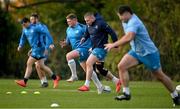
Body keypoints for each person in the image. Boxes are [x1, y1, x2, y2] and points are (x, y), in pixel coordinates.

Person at [104, 5, 180, 105]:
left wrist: (113, 44)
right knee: (121, 66)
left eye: (121, 16)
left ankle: (176, 96)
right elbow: (127, 36)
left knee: (159, 76)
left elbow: (129, 37)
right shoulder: (125, 21)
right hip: (136, 52)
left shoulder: (134, 22)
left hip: (148, 53)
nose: (120, 18)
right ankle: (126, 93)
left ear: (127, 13)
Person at [60, 13, 111, 94]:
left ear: (75, 20)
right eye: (67, 22)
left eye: (69, 21)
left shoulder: (83, 27)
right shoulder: (68, 29)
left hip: (85, 49)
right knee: (88, 71)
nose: (68, 23)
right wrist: (65, 43)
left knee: (68, 56)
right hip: (77, 50)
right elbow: (68, 41)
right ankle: (100, 87)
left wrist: (92, 47)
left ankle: (74, 76)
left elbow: (92, 36)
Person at [78, 12, 121, 93]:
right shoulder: (88, 25)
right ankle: (117, 81)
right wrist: (83, 38)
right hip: (95, 48)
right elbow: (87, 33)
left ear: (92, 18)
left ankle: (86, 85)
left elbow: (112, 32)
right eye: (85, 21)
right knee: (99, 69)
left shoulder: (101, 23)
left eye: (87, 21)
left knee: (88, 63)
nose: (86, 22)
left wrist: (115, 45)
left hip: (101, 48)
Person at [15, 17, 60, 88]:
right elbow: (23, 38)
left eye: (24, 24)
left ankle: (24, 81)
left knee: (29, 63)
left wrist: (49, 44)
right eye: (22, 25)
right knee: (41, 66)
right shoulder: (24, 29)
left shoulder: (36, 28)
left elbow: (46, 33)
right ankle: (55, 78)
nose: (23, 26)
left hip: (39, 48)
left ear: (28, 22)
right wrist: (20, 45)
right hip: (35, 49)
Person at [29, 13, 55, 87]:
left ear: (37, 19)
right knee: (38, 65)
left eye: (32, 19)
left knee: (38, 64)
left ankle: (52, 78)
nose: (31, 21)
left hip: (44, 48)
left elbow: (47, 36)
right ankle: (44, 82)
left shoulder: (42, 26)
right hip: (37, 49)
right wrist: (32, 49)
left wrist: (50, 44)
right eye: (30, 20)